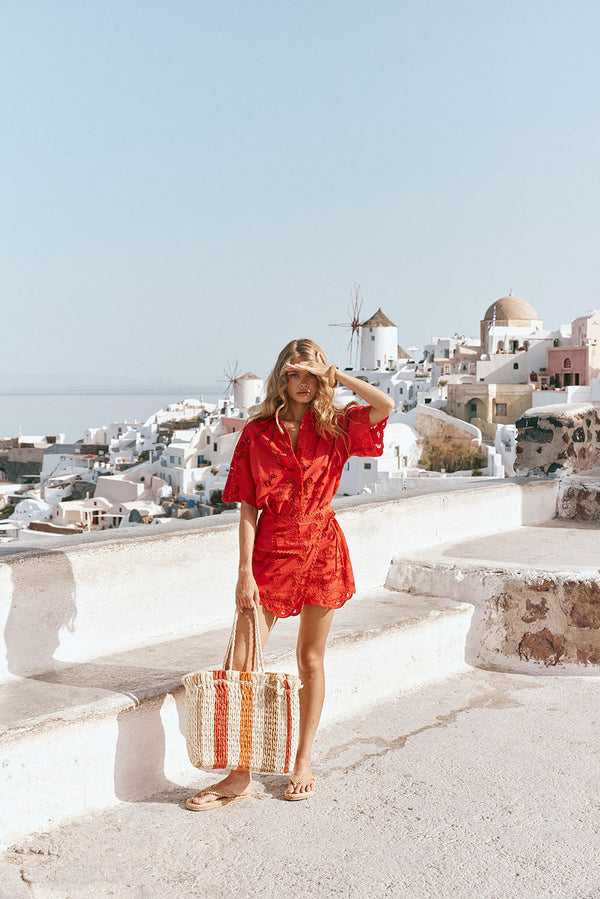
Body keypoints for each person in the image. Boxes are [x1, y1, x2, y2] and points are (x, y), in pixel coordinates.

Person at [186, 338, 394, 809]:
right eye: (294, 374)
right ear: (281, 377)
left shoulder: (338, 426)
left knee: (310, 660)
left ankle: (302, 762)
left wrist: (334, 375)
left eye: (311, 376)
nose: (303, 384)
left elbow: (385, 404)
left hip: (322, 547)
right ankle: (239, 775)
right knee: (243, 663)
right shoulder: (258, 432)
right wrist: (244, 571)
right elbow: (246, 506)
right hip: (271, 552)